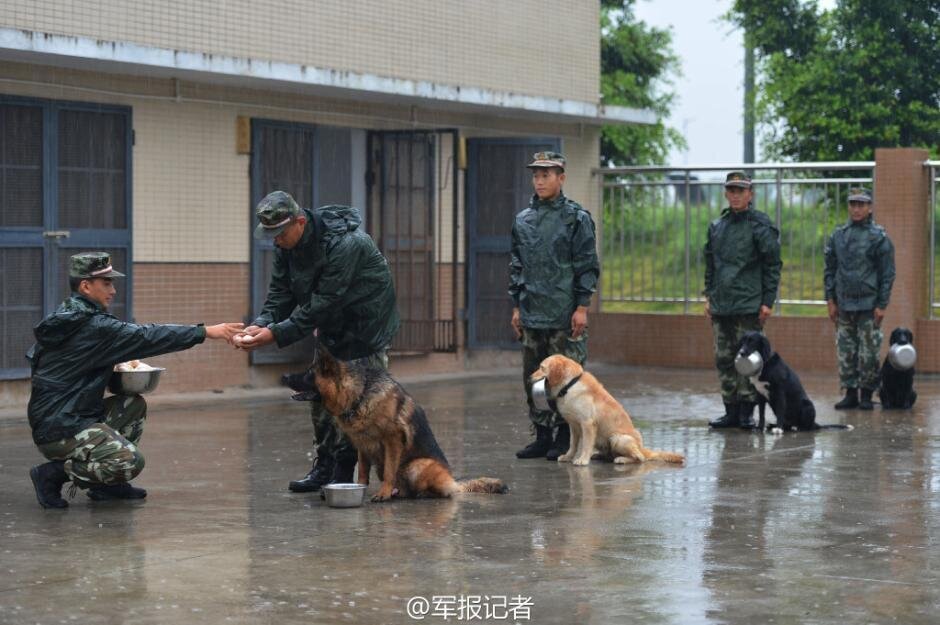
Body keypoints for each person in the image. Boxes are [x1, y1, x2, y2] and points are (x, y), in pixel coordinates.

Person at [27, 252, 244, 509]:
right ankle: (53, 474)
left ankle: (106, 486)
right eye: (106, 283)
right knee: (130, 461)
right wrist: (205, 332)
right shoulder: (94, 326)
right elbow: (147, 336)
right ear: (86, 286)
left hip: (62, 415)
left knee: (132, 404)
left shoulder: (66, 316)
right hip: (60, 428)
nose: (114, 290)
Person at [239, 191, 399, 492]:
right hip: (332, 327)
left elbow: (324, 301)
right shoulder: (286, 246)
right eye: (270, 234)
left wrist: (276, 333)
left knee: (356, 403)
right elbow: (280, 293)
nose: (275, 240)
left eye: (279, 233)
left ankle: (344, 470)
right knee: (322, 394)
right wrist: (261, 323)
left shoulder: (346, 245)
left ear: (300, 222)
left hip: (365, 329)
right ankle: (324, 467)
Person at [509, 151, 599, 460]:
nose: (540, 180)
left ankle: (564, 436)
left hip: (564, 313)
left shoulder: (577, 218)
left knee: (566, 380)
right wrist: (517, 307)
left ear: (561, 177)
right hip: (532, 312)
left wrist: (582, 307)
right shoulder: (523, 220)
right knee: (534, 380)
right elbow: (517, 266)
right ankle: (542, 435)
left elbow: (587, 264)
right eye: (536, 175)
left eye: (546, 174)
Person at [704, 171, 782, 429]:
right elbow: (711, 265)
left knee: (748, 360)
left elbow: (772, 265)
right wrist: (709, 296)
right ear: (726, 193)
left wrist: (768, 301)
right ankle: (731, 411)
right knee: (724, 358)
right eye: (731, 190)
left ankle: (747, 412)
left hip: (749, 305)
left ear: (750, 194)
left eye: (741, 190)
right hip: (722, 305)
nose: (735, 195)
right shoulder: (717, 226)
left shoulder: (760, 225)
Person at [824, 187, 895, 410]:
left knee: (869, 351)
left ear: (870, 207)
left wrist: (882, 304)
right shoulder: (838, 235)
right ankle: (850, 393)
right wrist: (830, 300)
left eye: (861, 204)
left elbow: (887, 273)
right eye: (853, 204)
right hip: (844, 303)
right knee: (846, 349)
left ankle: (866, 394)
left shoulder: (878, 237)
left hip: (868, 304)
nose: (856, 209)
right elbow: (830, 269)